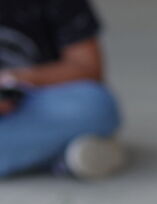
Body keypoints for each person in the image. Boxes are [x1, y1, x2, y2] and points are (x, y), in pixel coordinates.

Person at [0, 0, 119, 180]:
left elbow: (88, 69)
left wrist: (16, 80)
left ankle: (40, 152)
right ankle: (61, 155)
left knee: (96, 104)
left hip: (35, 102)